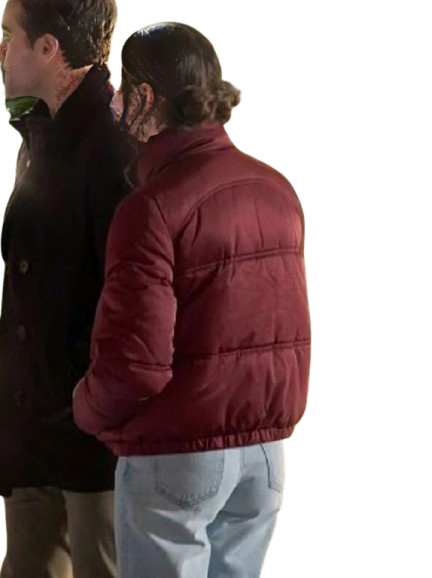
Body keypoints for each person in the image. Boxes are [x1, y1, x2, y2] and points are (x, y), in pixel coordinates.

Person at [72, 21, 312, 578]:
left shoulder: (151, 208)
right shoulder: (277, 190)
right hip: (265, 457)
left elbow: (135, 366)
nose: (113, 100)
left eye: (122, 85)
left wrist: (84, 408)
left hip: (176, 455)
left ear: (146, 97)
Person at [0, 0, 136, 576]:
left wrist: (83, 399)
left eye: (9, 35)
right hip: (32, 432)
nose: (2, 51)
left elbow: (132, 300)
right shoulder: (39, 135)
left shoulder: (115, 144)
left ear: (48, 48)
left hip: (91, 442)